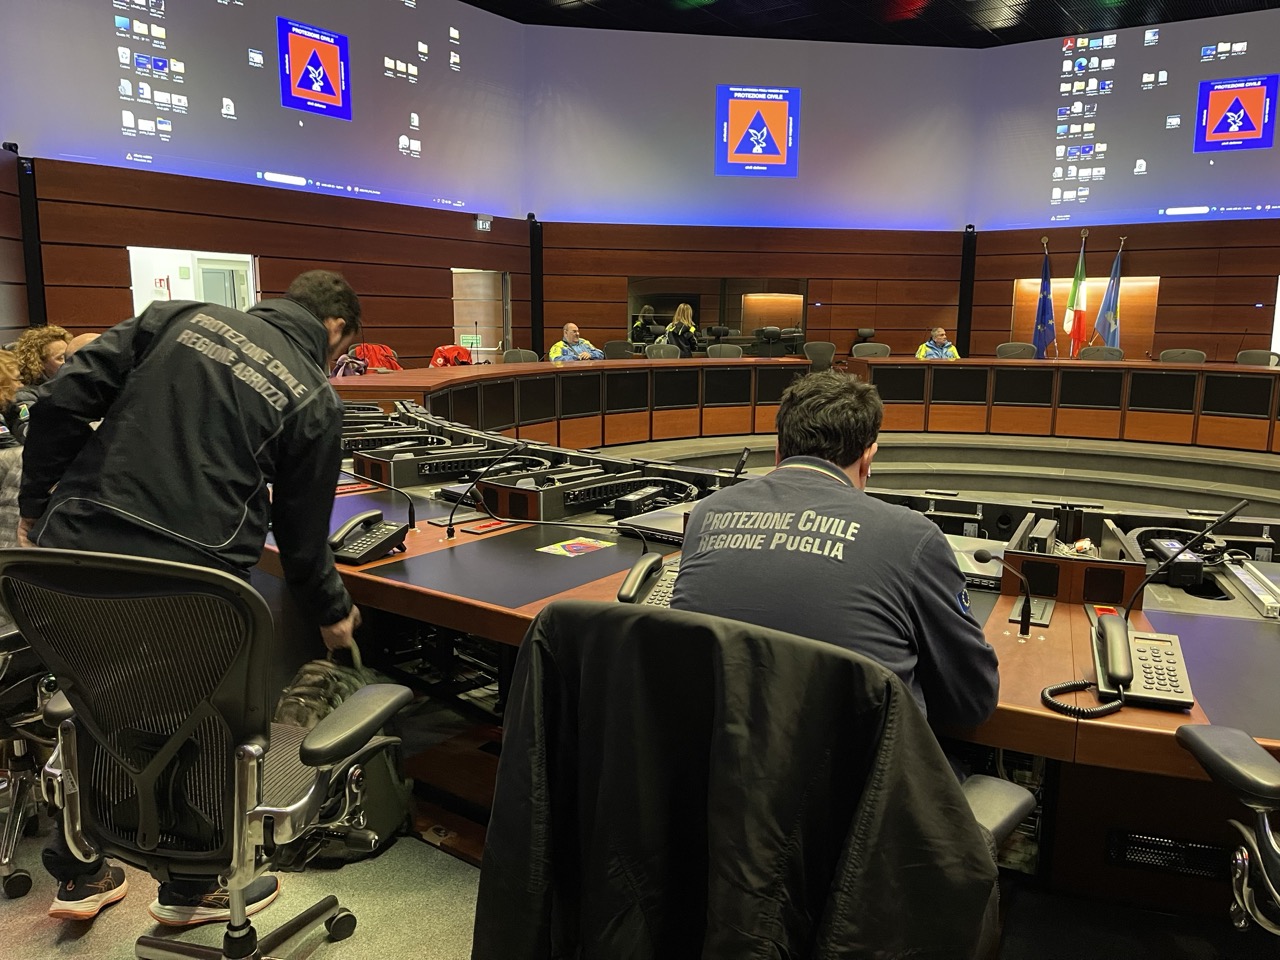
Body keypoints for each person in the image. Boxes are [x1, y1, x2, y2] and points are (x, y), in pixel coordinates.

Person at [18, 270, 365, 925]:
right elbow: (301, 538)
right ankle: (190, 888)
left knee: (88, 693)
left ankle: (79, 874)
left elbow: (62, 400)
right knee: (200, 721)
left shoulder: (176, 316)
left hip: (76, 546)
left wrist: (36, 505)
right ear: (336, 328)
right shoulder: (314, 398)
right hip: (190, 578)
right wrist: (331, 613)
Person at [670, 370, 998, 730]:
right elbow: (971, 700)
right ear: (868, 458)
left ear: (778, 451)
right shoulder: (912, 536)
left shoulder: (706, 513)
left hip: (713, 757)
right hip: (854, 766)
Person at [10, 324, 72, 443]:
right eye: (60, 358)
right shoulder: (25, 395)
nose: (68, 362)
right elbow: (30, 433)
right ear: (39, 363)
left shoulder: (71, 385)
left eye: (68, 356)